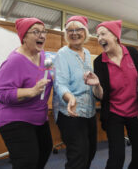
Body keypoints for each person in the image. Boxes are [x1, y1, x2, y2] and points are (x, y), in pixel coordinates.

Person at [0, 17, 53, 169]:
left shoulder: (45, 56)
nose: (42, 35)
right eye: (36, 31)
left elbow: (50, 78)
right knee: (27, 161)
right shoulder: (15, 61)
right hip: (15, 119)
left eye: (43, 31)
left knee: (45, 151)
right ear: (24, 37)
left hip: (39, 118)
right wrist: (31, 91)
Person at [94, 20, 138, 169]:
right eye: (98, 35)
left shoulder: (133, 54)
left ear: (115, 36)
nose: (99, 38)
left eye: (103, 34)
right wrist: (97, 85)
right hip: (113, 113)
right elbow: (100, 96)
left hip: (136, 112)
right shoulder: (99, 62)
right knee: (117, 156)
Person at [52, 16, 103, 169]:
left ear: (85, 32)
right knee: (78, 156)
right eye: (70, 30)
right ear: (66, 34)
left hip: (89, 111)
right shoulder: (62, 53)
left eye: (78, 29)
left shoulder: (87, 53)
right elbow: (60, 83)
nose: (74, 33)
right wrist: (70, 98)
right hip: (71, 113)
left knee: (91, 151)